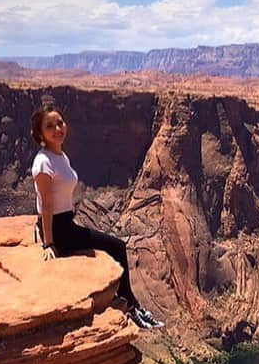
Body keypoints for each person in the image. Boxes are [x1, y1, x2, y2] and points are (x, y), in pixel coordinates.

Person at [30, 104, 164, 330]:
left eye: (60, 123)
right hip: (60, 230)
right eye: (50, 126)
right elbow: (46, 203)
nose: (57, 129)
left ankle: (133, 306)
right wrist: (49, 243)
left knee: (114, 246)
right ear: (40, 133)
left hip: (67, 223)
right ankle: (132, 308)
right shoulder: (43, 161)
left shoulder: (59, 155)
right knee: (117, 246)